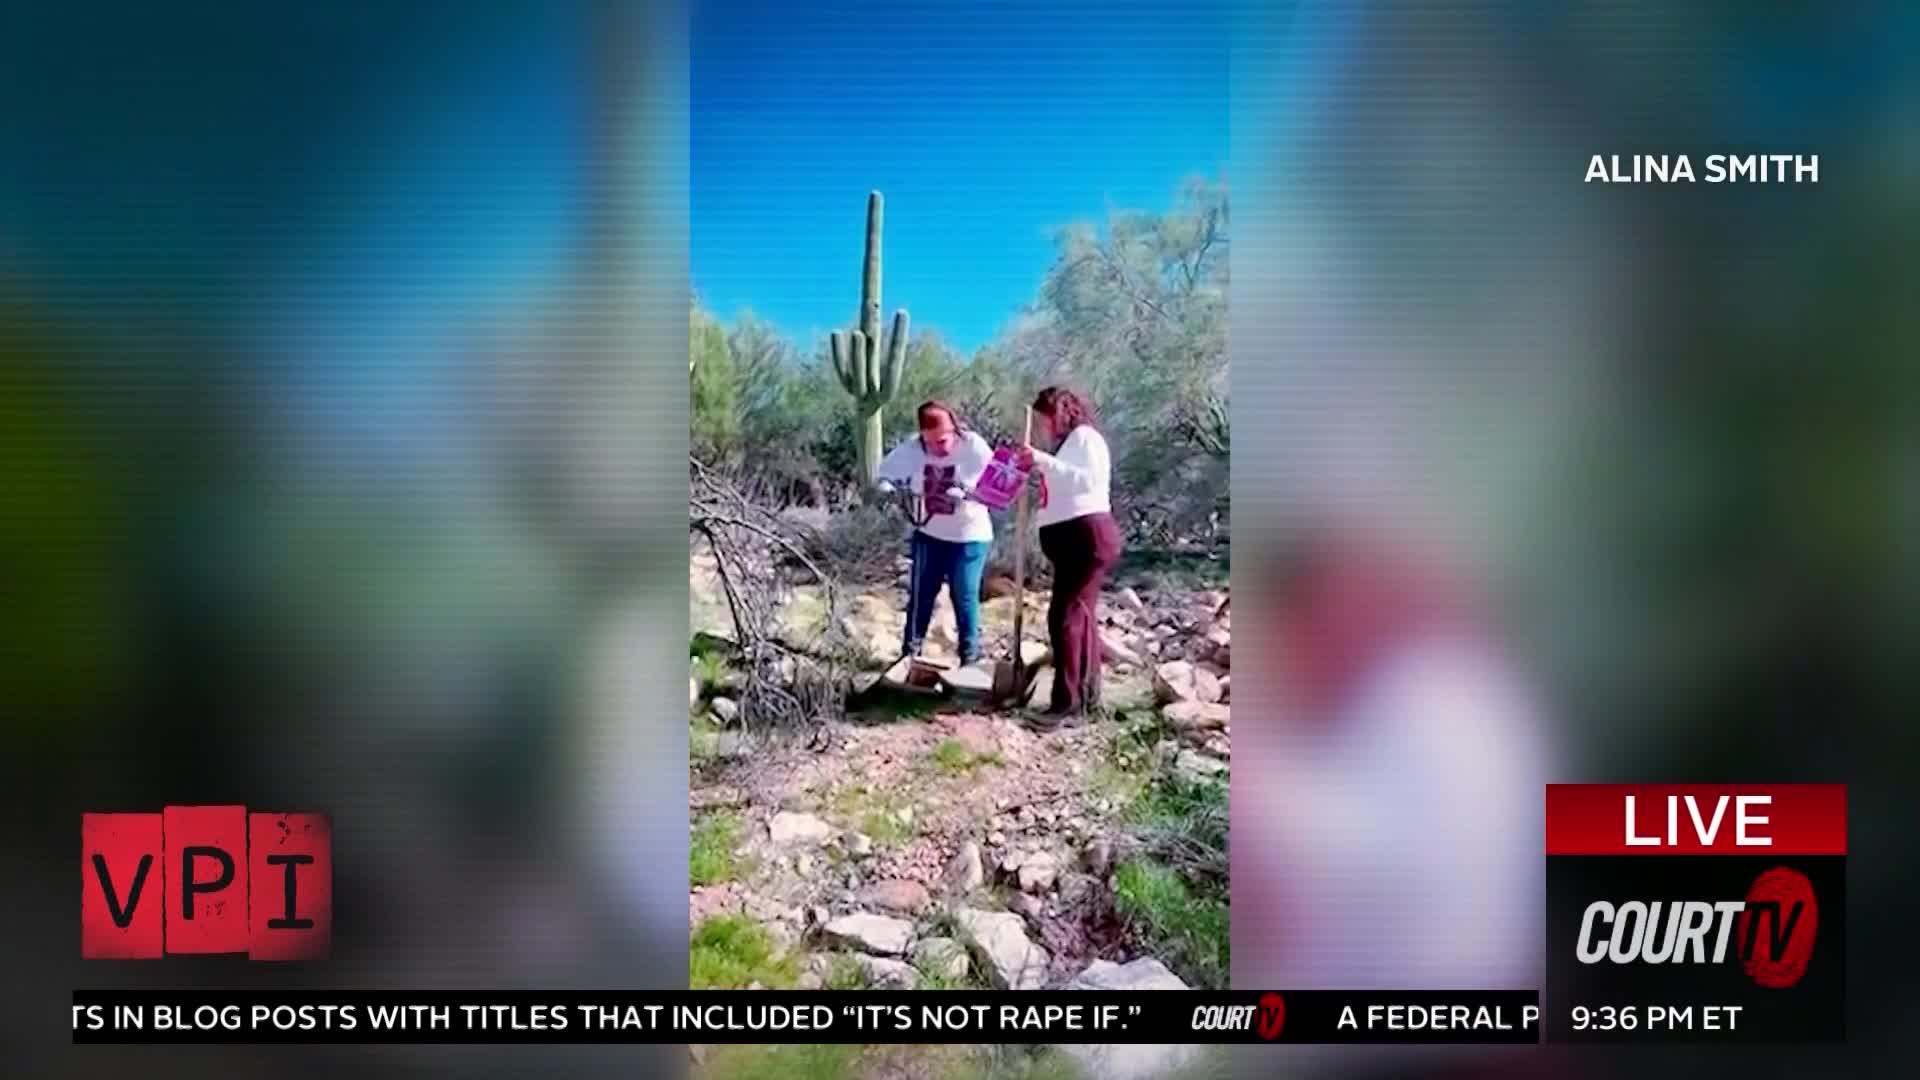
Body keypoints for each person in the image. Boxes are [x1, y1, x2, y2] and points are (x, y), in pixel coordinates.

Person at [1014, 386, 1122, 727]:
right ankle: (1086, 697)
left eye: (1046, 418)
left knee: (1066, 619)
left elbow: (1084, 481)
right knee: (1079, 617)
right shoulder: (1070, 445)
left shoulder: (1086, 439)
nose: (1045, 426)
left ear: (1060, 411)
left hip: (1084, 536)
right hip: (1071, 538)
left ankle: (1067, 703)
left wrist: (1042, 461)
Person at [874, 401, 995, 666]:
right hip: (929, 533)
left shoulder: (973, 446)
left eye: (942, 441)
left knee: (964, 595)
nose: (938, 449)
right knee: (921, 594)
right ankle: (910, 652)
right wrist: (888, 487)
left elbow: (993, 482)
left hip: (969, 535)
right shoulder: (912, 449)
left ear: (954, 429)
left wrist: (966, 491)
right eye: (930, 443)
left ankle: (970, 657)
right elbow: (886, 472)